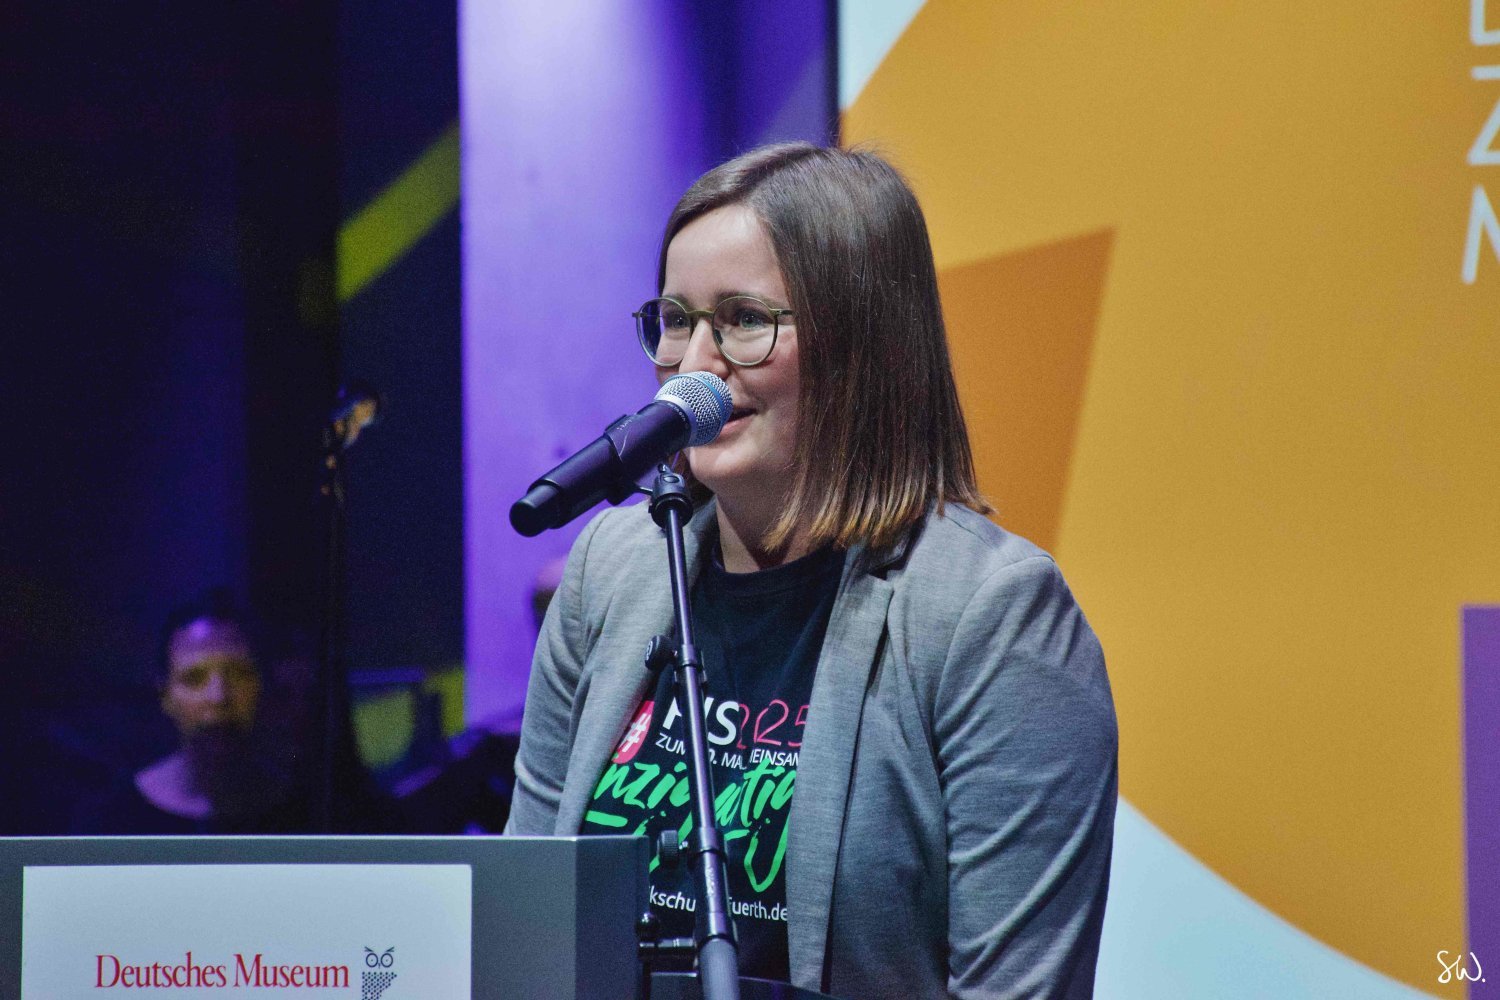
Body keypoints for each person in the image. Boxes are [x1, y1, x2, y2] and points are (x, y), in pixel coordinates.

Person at [505, 144, 1118, 999]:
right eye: (676, 319)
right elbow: (522, 926)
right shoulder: (610, 569)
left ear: (861, 344)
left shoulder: (992, 614)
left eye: (743, 319)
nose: (693, 365)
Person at [73, 590, 396, 834]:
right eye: (194, 678)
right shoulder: (110, 821)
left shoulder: (314, 814)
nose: (218, 697)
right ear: (165, 694)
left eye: (240, 675)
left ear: (265, 684)